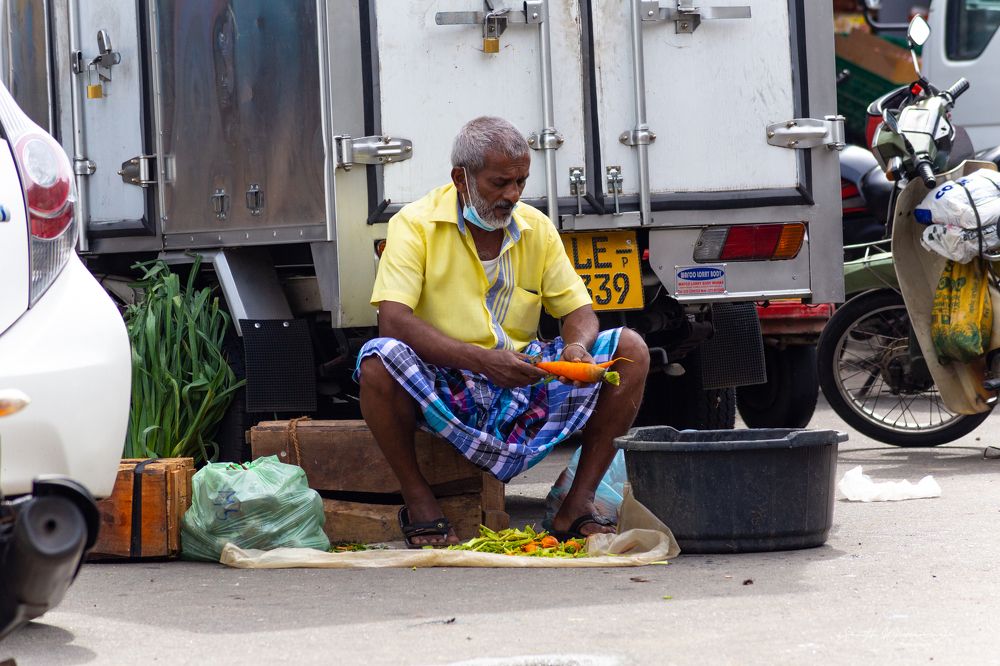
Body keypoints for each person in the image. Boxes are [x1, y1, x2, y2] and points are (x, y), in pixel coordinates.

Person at [355, 116, 649, 547]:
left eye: (521, 182)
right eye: (500, 183)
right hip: (447, 379)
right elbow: (393, 320)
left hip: (520, 377)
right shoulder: (413, 225)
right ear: (461, 178)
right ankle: (420, 504)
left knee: (632, 349)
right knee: (378, 361)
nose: (512, 194)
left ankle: (575, 505)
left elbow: (579, 311)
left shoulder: (536, 227)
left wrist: (576, 347)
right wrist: (482, 361)